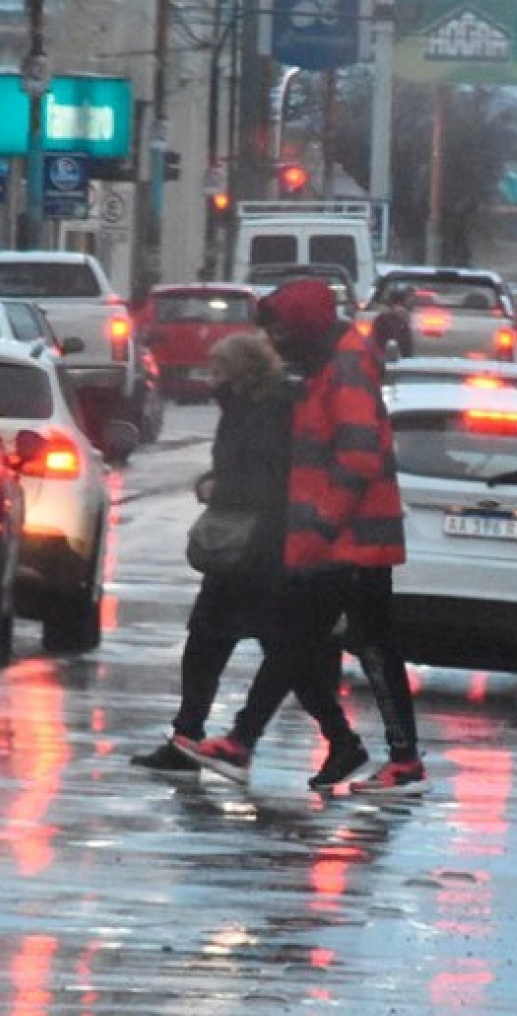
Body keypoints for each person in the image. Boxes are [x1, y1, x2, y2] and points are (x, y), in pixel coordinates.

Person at [185, 278, 427, 796]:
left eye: (280, 328)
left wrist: (322, 521)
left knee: (333, 642)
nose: (275, 339)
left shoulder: (343, 365)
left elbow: (358, 456)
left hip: (350, 540)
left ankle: (252, 742)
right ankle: (260, 742)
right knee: (315, 640)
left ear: (304, 327)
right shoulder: (329, 361)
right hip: (341, 540)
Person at [130, 329, 367, 785]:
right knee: (210, 640)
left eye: (219, 368)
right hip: (239, 548)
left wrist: (218, 489)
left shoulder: (275, 410)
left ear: (243, 371)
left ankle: (333, 741)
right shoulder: (237, 409)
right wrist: (212, 482)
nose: (210, 376)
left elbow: (270, 481)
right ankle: (189, 736)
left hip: (265, 548)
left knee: (275, 648)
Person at [371, 285, 414, 363]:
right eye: (409, 298)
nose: (412, 301)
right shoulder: (385, 320)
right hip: (388, 364)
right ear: (400, 301)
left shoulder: (401, 320)